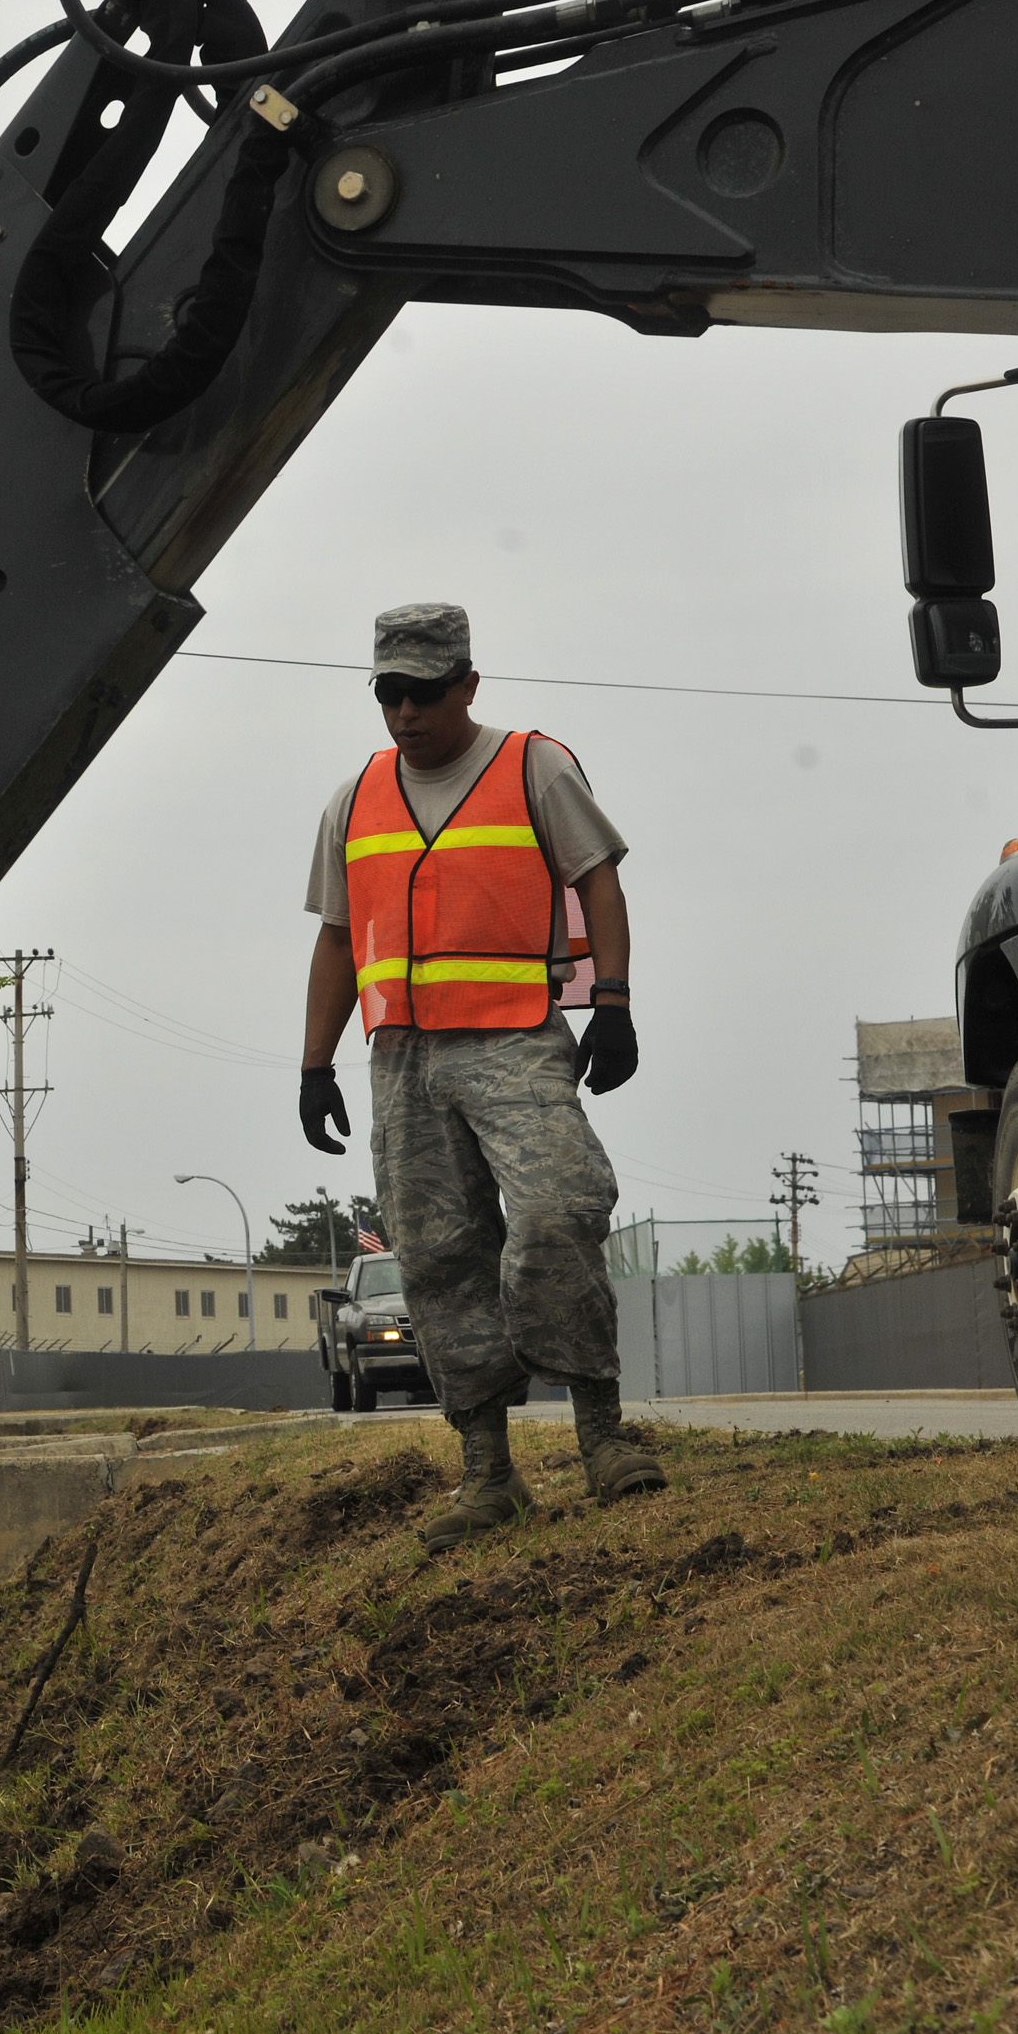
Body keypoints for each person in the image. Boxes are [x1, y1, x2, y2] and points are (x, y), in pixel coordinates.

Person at [297, 601, 661, 1552]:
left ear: (466, 685)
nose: (405, 713)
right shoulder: (355, 798)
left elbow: (600, 881)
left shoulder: (532, 766)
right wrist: (313, 1064)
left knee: (557, 1210)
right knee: (437, 1255)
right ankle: (489, 1475)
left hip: (514, 1039)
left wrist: (613, 1002)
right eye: (388, 695)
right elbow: (337, 939)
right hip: (404, 1058)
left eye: (422, 693)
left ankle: (605, 1440)